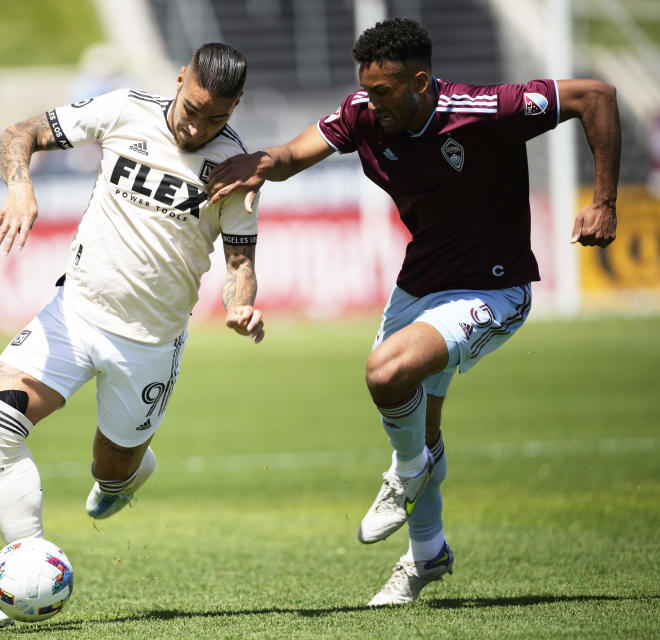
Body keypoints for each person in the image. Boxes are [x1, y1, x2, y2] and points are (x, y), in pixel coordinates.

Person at [207, 17, 619, 606]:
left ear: (420, 82)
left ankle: (403, 474)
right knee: (420, 421)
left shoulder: (485, 109)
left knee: (386, 373)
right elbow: (294, 153)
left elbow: (595, 97)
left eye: (382, 91)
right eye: (365, 88)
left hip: (493, 290)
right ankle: (427, 554)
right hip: (419, 286)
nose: (370, 102)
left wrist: (603, 201)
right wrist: (259, 167)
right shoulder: (362, 113)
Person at [0, 42, 264, 628]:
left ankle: (127, 474)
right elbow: (19, 132)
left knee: (110, 474)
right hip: (74, 312)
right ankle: (27, 571)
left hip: (148, 344)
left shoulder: (237, 169)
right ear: (180, 78)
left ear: (236, 109)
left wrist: (242, 306)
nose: (199, 126)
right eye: (194, 107)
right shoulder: (124, 109)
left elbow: (239, 264)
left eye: (217, 118)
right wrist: (20, 185)